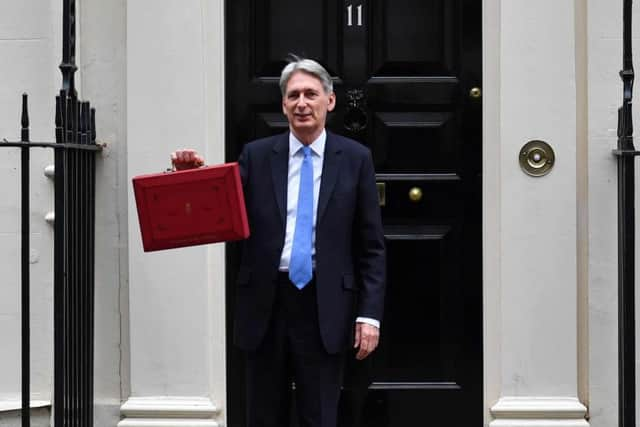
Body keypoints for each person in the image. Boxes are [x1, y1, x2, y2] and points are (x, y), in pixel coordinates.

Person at [172, 56, 386, 427]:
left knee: (319, 413)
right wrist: (191, 178)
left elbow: (371, 246)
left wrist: (369, 316)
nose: (302, 103)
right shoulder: (256, 156)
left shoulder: (355, 159)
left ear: (329, 101)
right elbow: (219, 210)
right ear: (283, 105)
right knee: (263, 412)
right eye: (293, 96)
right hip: (266, 303)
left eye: (311, 94)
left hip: (326, 303)